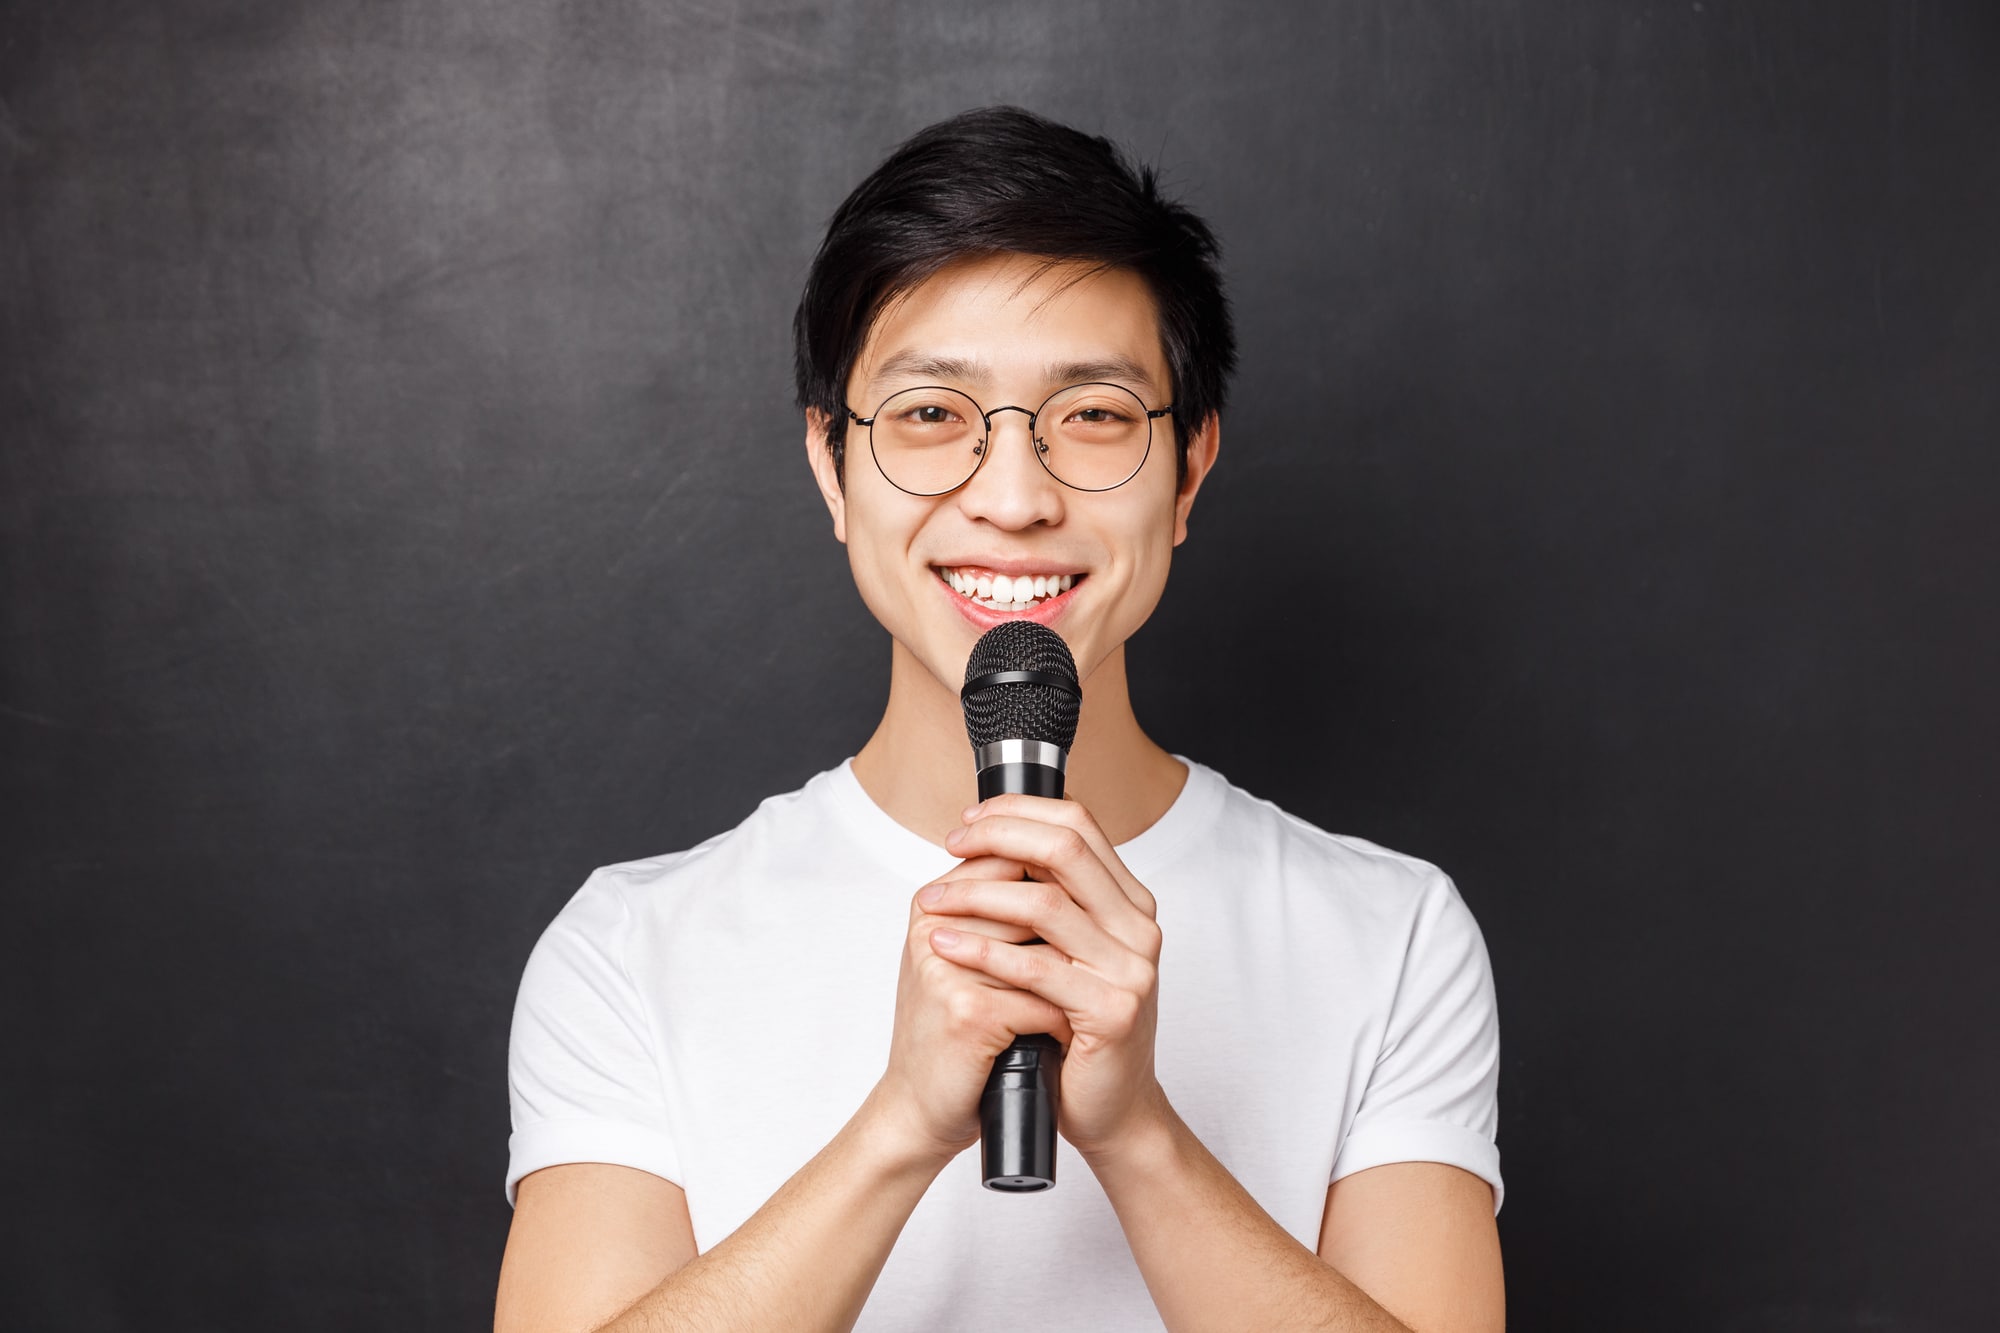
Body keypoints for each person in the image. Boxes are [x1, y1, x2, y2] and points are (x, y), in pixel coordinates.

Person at [494, 106, 1505, 1333]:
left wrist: (1136, 1134)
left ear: (1186, 469)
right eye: (930, 416)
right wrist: (901, 1124)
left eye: (1092, 414)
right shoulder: (628, 950)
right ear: (832, 467)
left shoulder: (1387, 933)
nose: (1013, 497)